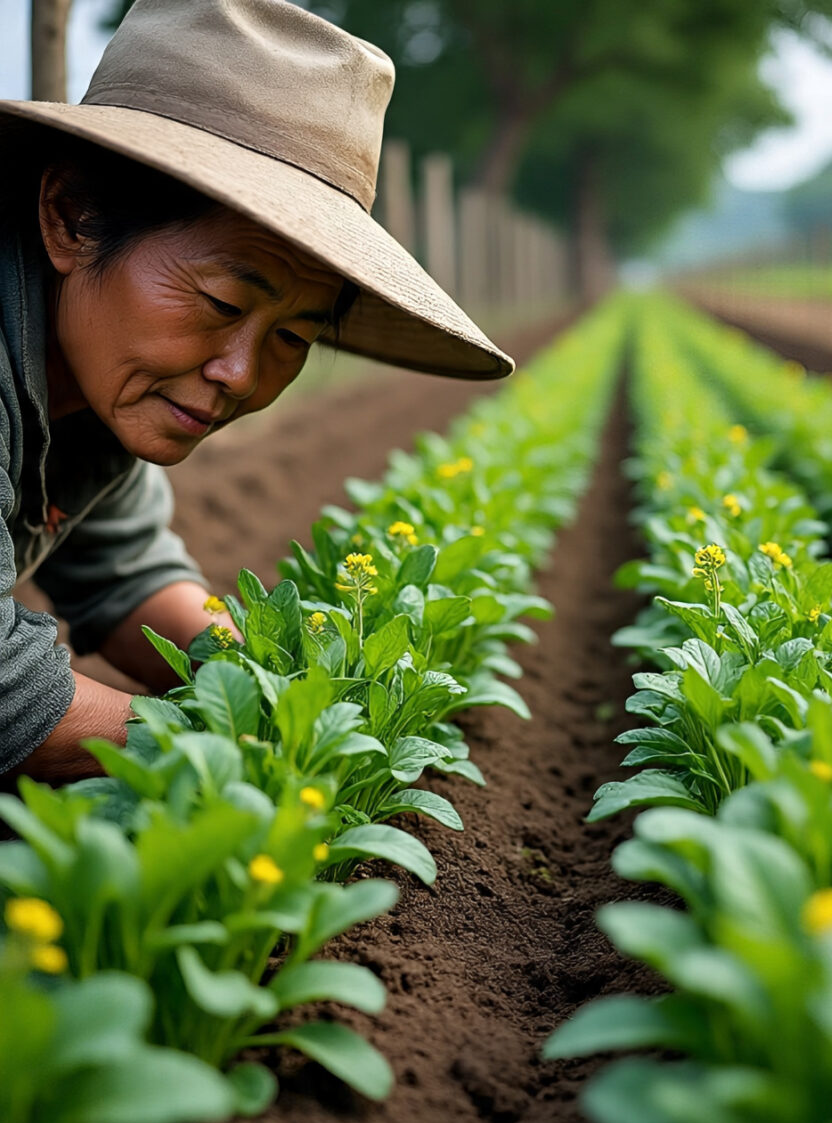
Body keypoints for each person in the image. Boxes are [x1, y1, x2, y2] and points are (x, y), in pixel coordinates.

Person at [0, 0, 513, 779]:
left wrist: (272, 688)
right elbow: (9, 695)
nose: (240, 373)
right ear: (72, 216)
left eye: (292, 338)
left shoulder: (99, 384)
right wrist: (239, 753)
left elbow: (128, 574)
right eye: (223, 304)